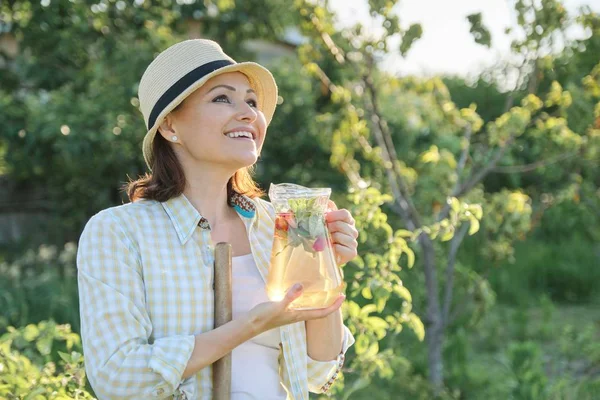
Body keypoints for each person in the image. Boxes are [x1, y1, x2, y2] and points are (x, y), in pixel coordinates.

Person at [76, 39, 358, 400]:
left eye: (252, 102)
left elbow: (317, 371)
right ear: (170, 126)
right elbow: (117, 377)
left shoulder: (277, 225)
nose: (248, 114)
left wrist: (326, 268)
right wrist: (251, 324)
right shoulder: (119, 232)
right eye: (222, 98)